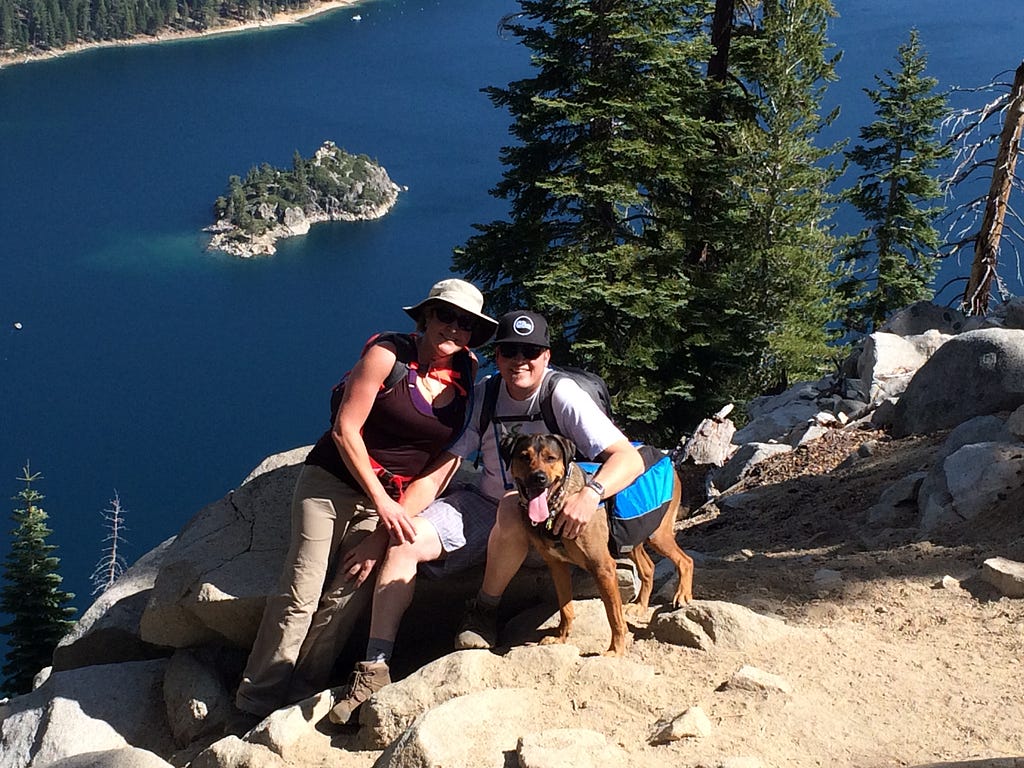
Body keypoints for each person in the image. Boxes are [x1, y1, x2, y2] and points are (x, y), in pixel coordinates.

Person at [326, 310, 644, 725]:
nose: (520, 361)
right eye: (510, 350)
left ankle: (485, 611)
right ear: (498, 355)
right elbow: (444, 466)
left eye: (530, 351)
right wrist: (385, 533)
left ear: (546, 356)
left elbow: (629, 458)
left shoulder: (561, 395)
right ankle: (374, 668)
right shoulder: (486, 394)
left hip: (554, 518)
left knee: (513, 505)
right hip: (483, 505)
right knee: (405, 543)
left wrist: (590, 495)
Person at [231, 278, 497, 728]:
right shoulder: (388, 355)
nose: (454, 328)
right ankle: (255, 700)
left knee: (350, 589)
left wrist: (381, 535)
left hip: (393, 500)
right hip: (331, 484)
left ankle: (300, 695)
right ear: (426, 316)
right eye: (446, 316)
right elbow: (345, 430)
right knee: (302, 590)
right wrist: (382, 502)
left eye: (466, 323)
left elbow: (439, 469)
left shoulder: (468, 377)